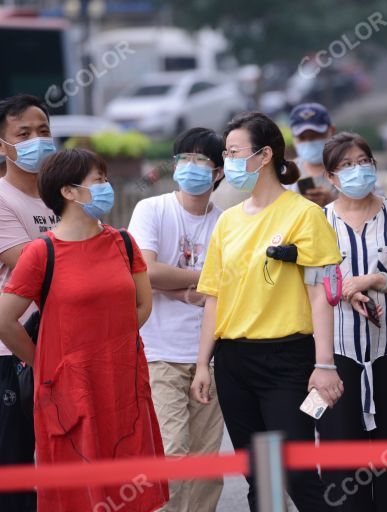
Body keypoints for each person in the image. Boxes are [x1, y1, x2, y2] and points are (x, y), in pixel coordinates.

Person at [0, 148, 168, 511]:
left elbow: (142, 305)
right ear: (68, 191)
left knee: (130, 491)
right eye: (99, 180)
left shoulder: (123, 242)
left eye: (106, 179)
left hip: (123, 383)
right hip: (69, 391)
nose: (106, 187)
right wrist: (43, 364)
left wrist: (112, 345)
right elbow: (5, 320)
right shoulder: (41, 252)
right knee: (77, 495)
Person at [190, 112, 343, 512]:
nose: (228, 162)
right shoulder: (227, 222)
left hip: (287, 359)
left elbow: (321, 293)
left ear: (264, 156)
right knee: (259, 477)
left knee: (295, 471)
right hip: (234, 361)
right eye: (225, 153)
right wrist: (203, 363)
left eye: (235, 152)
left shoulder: (304, 214)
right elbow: (214, 297)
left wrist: (323, 364)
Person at [316, 132, 387, 511]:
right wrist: (345, 289)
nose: (357, 170)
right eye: (345, 165)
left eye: (363, 162)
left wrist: (374, 280)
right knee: (340, 457)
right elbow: (311, 283)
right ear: (331, 177)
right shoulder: (318, 222)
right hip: (337, 355)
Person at [128, 128, 226, 512]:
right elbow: (147, 272)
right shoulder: (151, 209)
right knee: (171, 455)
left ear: (218, 172)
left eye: (201, 160)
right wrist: (201, 283)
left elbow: (229, 288)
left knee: (205, 464)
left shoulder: (226, 222)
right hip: (159, 353)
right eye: (185, 158)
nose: (191, 167)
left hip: (210, 355)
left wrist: (178, 285)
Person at [0, 94, 58, 511]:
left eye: (43, 132)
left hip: (62, 351)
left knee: (61, 468)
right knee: (16, 471)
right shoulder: (3, 200)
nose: (37, 140)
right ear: (3, 145)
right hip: (13, 354)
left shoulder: (61, 199)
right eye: (24, 134)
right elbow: (31, 268)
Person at [288, 102, 339, 206]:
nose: (309, 142)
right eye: (302, 137)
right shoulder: (286, 174)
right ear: (293, 138)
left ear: (332, 131)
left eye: (316, 135)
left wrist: (334, 203)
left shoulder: (351, 168)